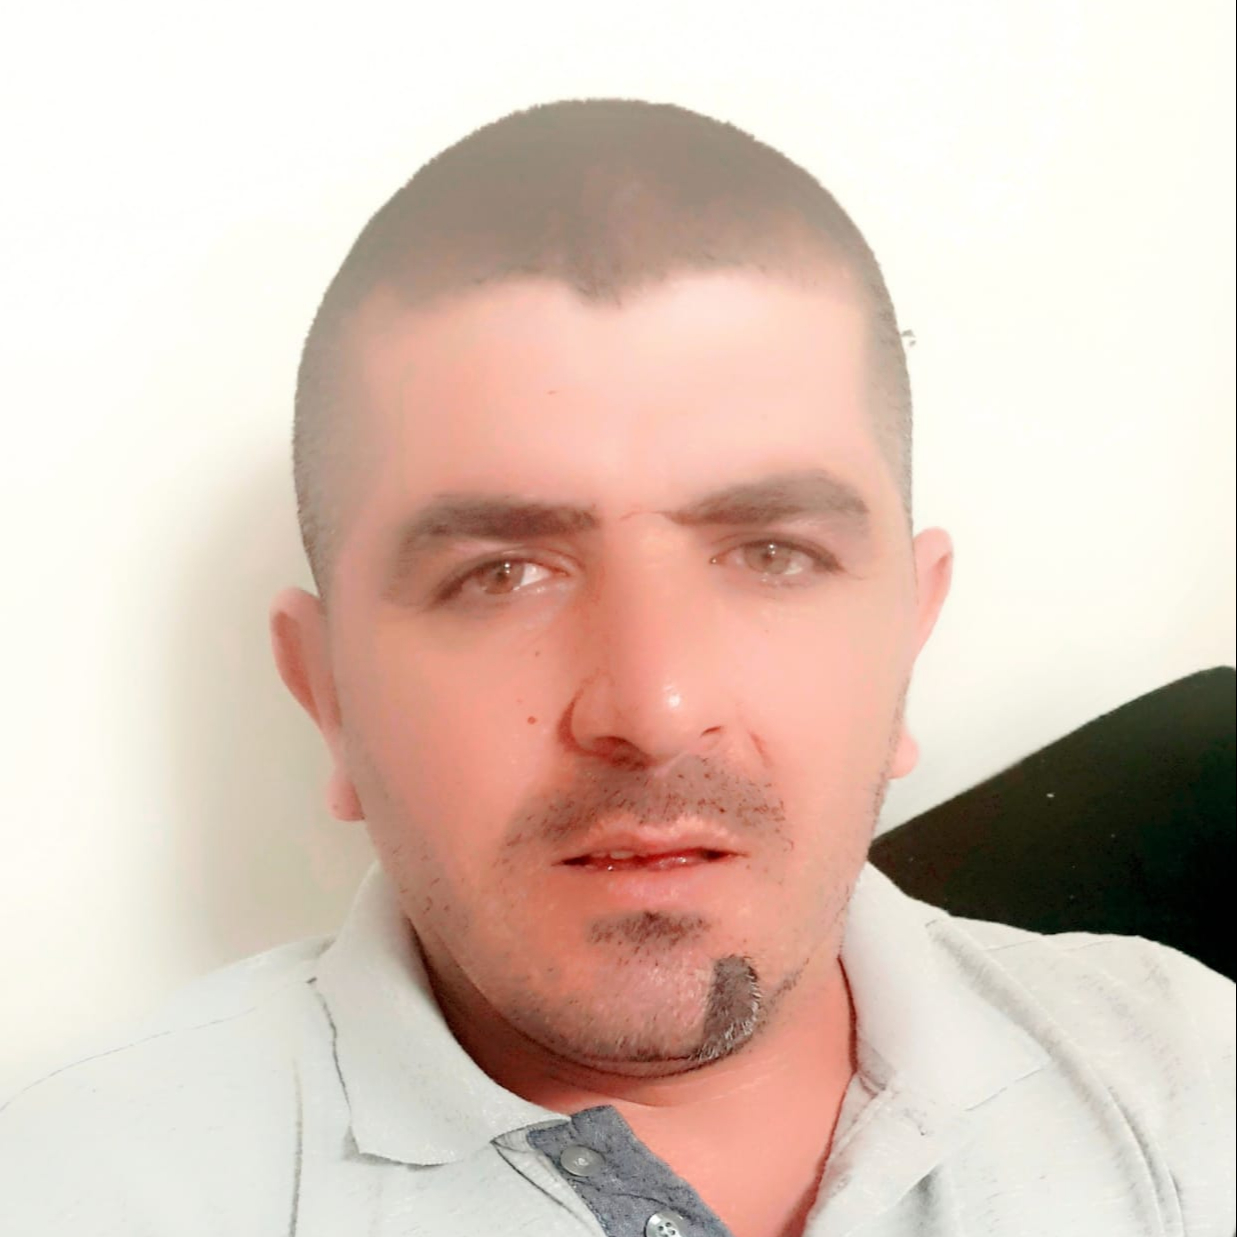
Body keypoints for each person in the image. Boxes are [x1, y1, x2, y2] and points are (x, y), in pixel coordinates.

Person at [2, 97, 1233, 1237]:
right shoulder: (73, 1192)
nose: (655, 706)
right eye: (501, 573)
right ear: (327, 697)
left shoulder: (1190, 1082)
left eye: (772, 552)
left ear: (909, 636)